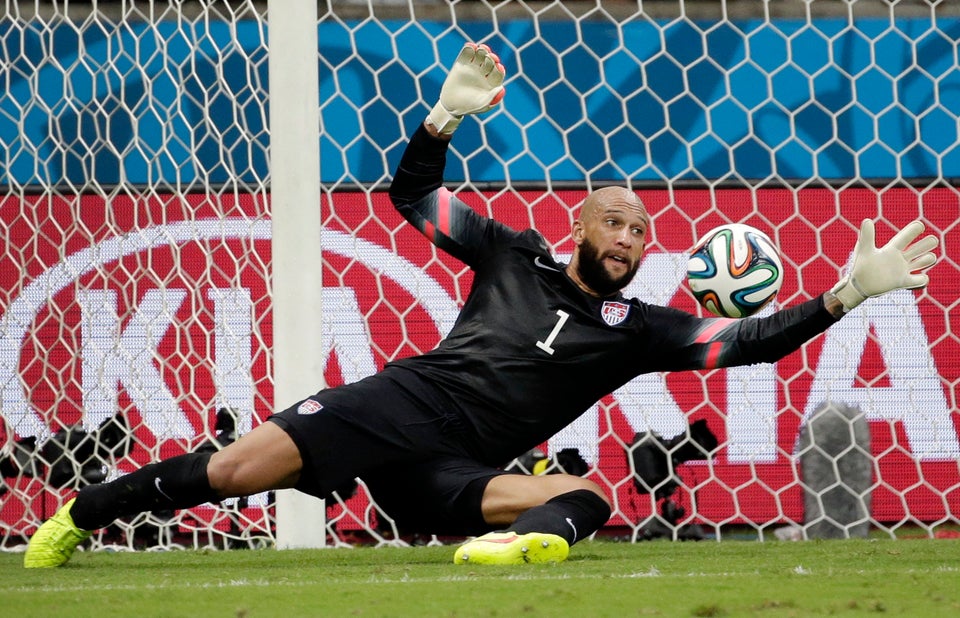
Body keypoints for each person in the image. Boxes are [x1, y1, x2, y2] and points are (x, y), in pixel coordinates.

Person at [24, 43, 939, 568]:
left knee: (584, 495)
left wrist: (847, 293)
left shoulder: (640, 332)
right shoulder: (510, 254)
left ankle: (512, 551)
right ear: (581, 226)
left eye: (640, 233)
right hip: (397, 405)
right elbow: (414, 200)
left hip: (457, 467)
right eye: (614, 222)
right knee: (228, 473)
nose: (628, 238)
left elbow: (749, 342)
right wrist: (442, 122)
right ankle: (79, 516)